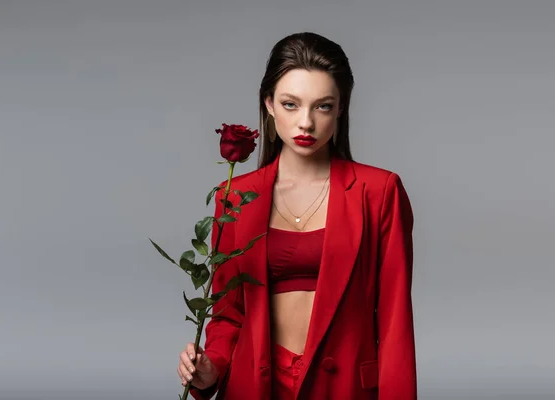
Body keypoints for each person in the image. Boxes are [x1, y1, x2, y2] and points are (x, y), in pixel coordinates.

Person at [177, 31, 416, 399]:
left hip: (345, 386)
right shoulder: (234, 197)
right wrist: (210, 369)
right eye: (291, 104)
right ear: (269, 104)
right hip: (255, 385)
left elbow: (395, 321)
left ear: (341, 109)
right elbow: (228, 315)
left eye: (322, 106)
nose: (306, 122)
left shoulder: (379, 193)